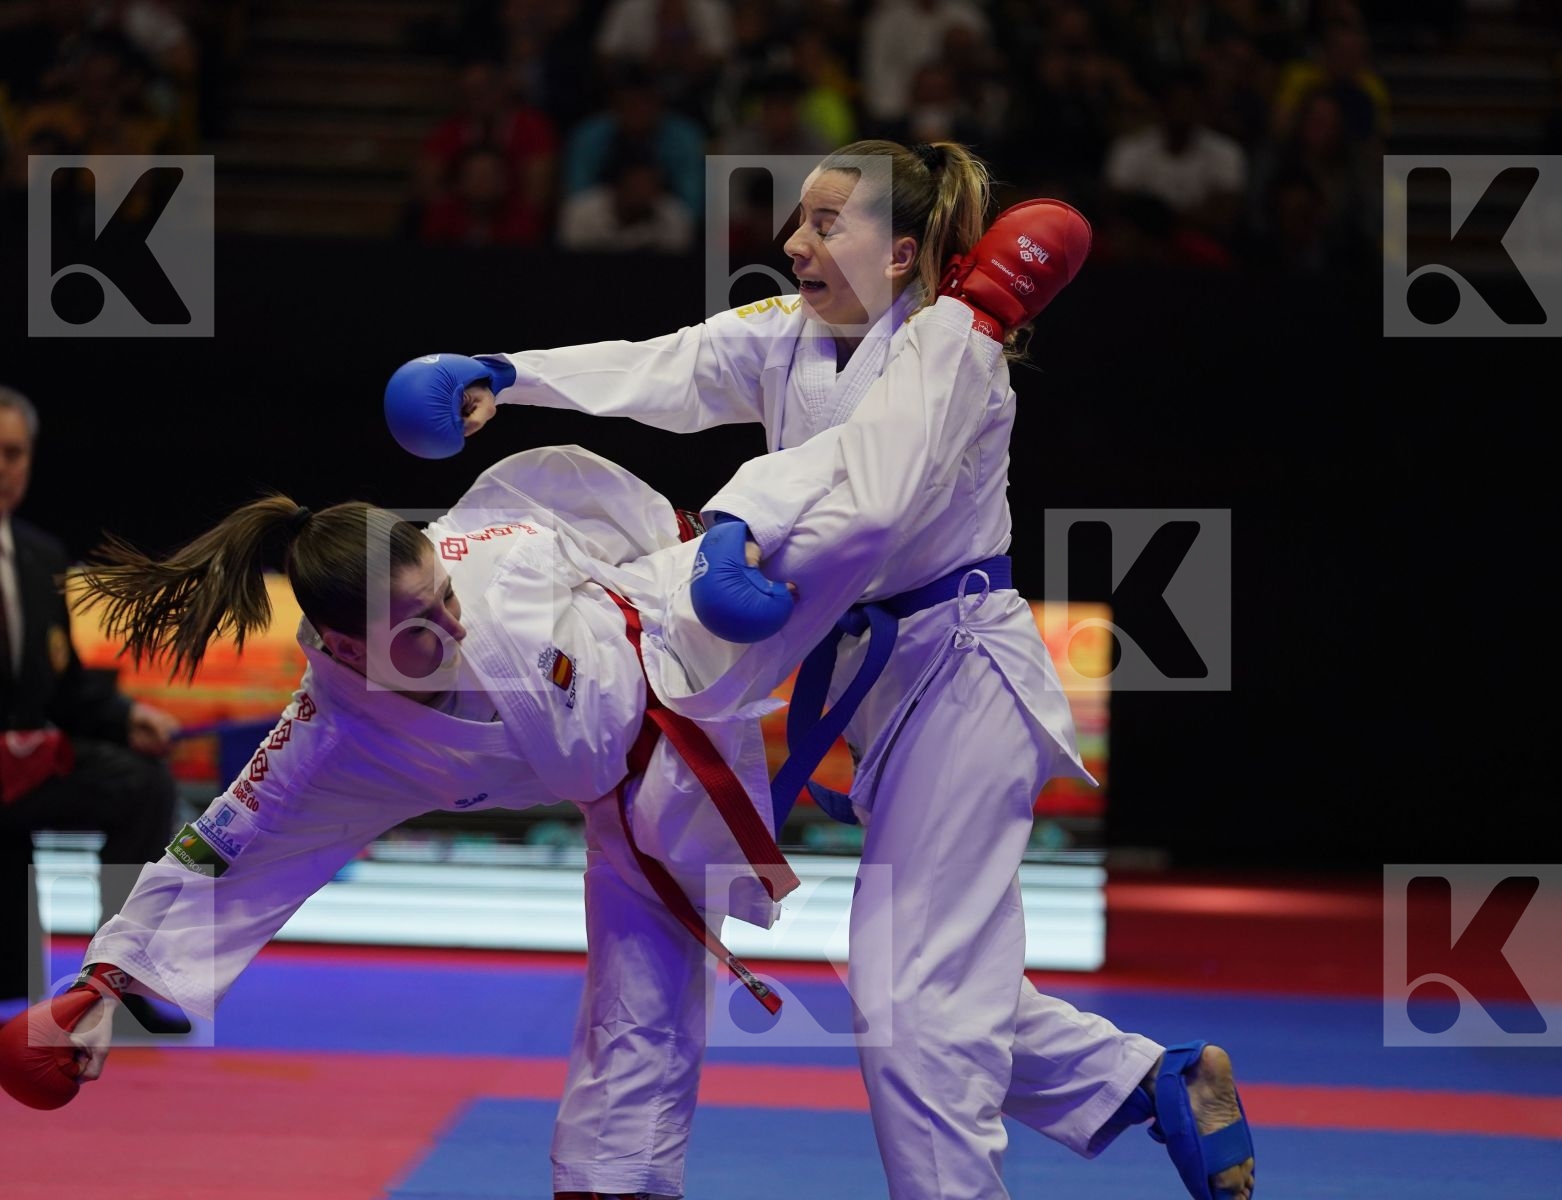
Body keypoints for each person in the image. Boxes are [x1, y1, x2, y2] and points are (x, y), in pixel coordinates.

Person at [0, 286, 1025, 1200]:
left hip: (668, 632)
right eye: (410, 629)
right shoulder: (331, 738)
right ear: (341, 644)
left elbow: (571, 488)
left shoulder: (491, 556)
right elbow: (228, 849)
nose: (445, 624)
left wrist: (701, 538)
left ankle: (972, 312)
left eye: (438, 598)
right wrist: (103, 987)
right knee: (640, 998)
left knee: (837, 518)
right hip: (630, 781)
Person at [441, 141, 1256, 1199]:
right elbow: (663, 363)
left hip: (960, 676)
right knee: (926, 983)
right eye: (797, 222)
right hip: (882, 686)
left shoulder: (952, 349)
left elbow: (871, 508)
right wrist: (511, 376)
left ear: (903, 251)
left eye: (828, 224)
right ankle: (1149, 1082)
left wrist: (735, 532)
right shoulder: (785, 336)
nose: (794, 243)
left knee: (912, 997)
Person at [0, 384, 186, 1037]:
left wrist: (126, 716)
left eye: (14, 453)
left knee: (141, 785)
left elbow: (66, 686)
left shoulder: (39, 556)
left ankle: (116, 979)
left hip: (21, 768)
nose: (4, 468)